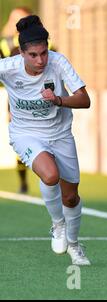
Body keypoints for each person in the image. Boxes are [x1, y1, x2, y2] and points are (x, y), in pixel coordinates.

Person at [0, 15, 91, 265]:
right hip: (25, 133)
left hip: (60, 134)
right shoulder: (7, 68)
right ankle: (57, 224)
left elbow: (85, 100)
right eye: (33, 55)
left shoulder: (59, 63)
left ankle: (74, 245)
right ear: (21, 53)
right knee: (50, 175)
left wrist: (59, 100)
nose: (40, 60)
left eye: (44, 53)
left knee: (71, 197)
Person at [1, 7, 33, 194]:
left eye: (19, 18)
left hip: (41, 96)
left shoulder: (43, 41)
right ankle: (23, 181)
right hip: (15, 98)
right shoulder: (5, 43)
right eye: (13, 18)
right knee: (21, 138)